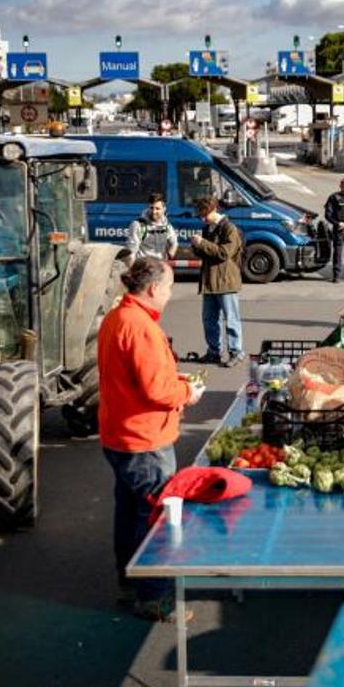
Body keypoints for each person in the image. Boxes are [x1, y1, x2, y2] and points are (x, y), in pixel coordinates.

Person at [98, 257, 203, 621]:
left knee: (128, 512)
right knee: (156, 516)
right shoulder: (140, 327)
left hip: (119, 433)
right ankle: (155, 597)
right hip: (145, 438)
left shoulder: (116, 318)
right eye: (171, 287)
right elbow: (157, 389)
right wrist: (186, 391)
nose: (171, 295)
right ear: (154, 288)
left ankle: (130, 581)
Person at [189, 196, 245, 367]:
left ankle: (236, 352)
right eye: (200, 215)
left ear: (214, 210)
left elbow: (223, 253)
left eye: (204, 215)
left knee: (231, 318)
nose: (202, 218)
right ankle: (214, 351)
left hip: (226, 281)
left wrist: (203, 243)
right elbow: (208, 254)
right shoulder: (209, 228)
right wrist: (196, 247)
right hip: (210, 281)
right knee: (209, 319)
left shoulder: (229, 228)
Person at [128, 192, 178, 261]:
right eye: (151, 208)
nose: (154, 211)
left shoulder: (166, 225)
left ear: (164, 209)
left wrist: (170, 254)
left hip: (159, 267)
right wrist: (134, 270)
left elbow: (174, 242)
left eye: (157, 209)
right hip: (144, 267)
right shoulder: (138, 225)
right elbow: (131, 253)